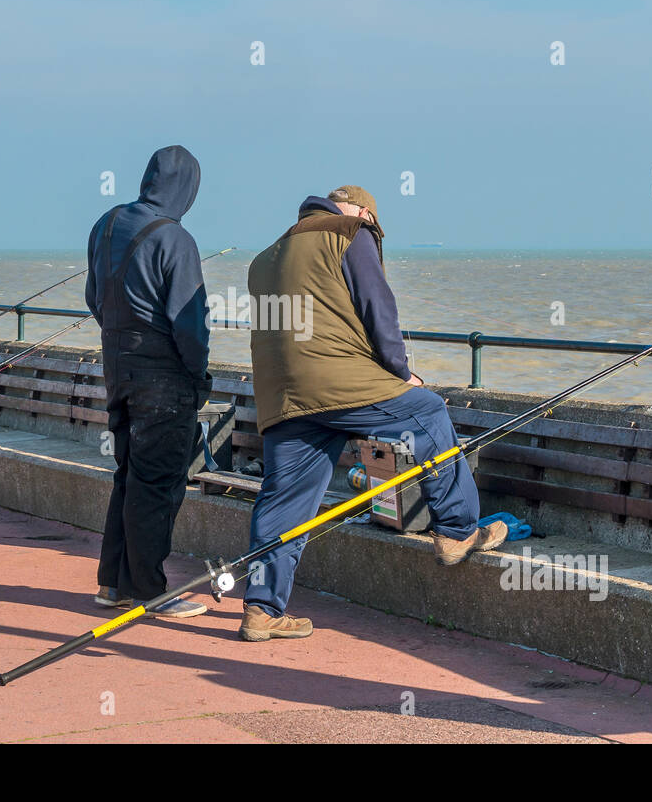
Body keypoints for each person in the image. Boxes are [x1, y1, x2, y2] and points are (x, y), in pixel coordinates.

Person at [239, 185, 507, 641]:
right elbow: (378, 308)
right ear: (366, 213)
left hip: (283, 394)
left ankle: (262, 609)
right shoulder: (350, 232)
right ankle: (458, 531)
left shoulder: (266, 256)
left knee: (284, 498)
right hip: (336, 380)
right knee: (428, 413)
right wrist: (402, 372)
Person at [85, 145, 212, 618]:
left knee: (128, 475)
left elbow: (94, 297)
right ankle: (150, 591)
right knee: (157, 483)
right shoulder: (176, 240)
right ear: (187, 188)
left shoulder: (107, 223)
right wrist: (198, 373)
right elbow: (189, 324)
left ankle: (112, 585)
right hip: (164, 379)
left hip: (118, 369)